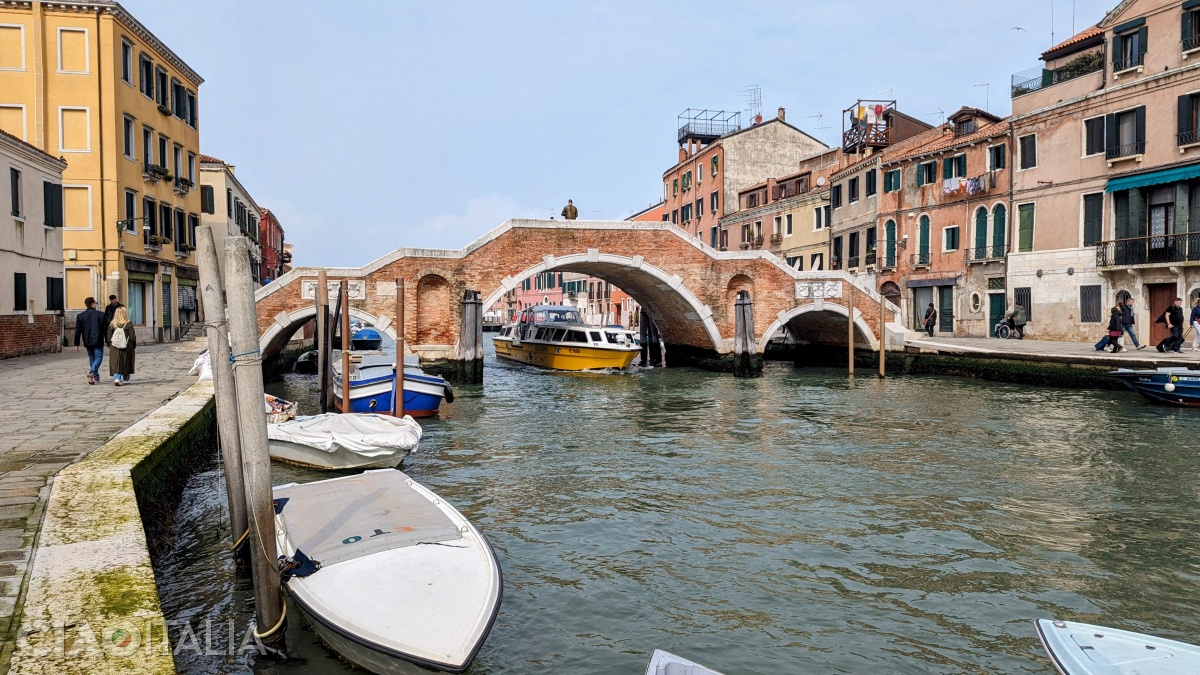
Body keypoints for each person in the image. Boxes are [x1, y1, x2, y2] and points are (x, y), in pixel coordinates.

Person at [73, 297, 106, 385]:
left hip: (87, 340)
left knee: (92, 357)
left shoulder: (81, 316)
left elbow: (78, 331)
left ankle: (96, 376)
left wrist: (76, 343)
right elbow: (105, 329)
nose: (96, 304)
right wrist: (108, 340)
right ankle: (92, 372)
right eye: (96, 303)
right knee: (98, 357)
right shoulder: (101, 314)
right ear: (92, 304)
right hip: (98, 339)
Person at [106, 306, 136, 386]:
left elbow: (109, 336)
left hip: (114, 345)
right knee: (126, 361)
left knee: (116, 361)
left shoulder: (112, 324)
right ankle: (126, 378)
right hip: (126, 345)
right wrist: (133, 344)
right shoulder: (128, 324)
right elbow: (132, 336)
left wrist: (109, 344)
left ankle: (117, 378)